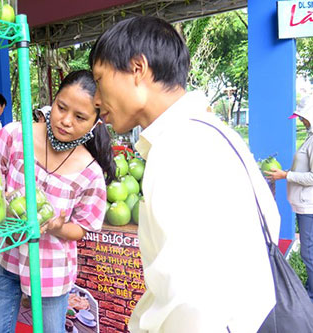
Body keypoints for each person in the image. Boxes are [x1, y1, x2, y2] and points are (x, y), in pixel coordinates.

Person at [89, 16, 281, 332]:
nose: (96, 99)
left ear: (138, 69)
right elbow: (269, 225)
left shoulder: (177, 148)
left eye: (99, 79)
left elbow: (188, 302)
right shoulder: (215, 133)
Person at [0, 70, 116, 333]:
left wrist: (56, 226)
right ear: (52, 101)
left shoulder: (91, 174)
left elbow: (80, 229)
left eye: (80, 117)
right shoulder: (15, 135)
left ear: (96, 123)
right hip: (2, 255)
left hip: (50, 269)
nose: (65, 121)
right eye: (61, 107)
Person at [266, 96, 313, 302]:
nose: (301, 121)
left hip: (309, 206)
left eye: (303, 117)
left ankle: (310, 295)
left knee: (308, 252)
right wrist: (285, 173)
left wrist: (285, 176)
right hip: (304, 204)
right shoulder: (309, 137)